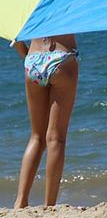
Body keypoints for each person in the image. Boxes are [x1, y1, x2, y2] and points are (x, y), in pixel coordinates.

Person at [13, 34, 78, 209]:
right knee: (56, 138)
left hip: (33, 59)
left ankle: (20, 201)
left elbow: (16, 37)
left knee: (36, 137)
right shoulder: (68, 4)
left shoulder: (30, 6)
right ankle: (49, 205)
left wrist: (27, 56)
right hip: (62, 58)